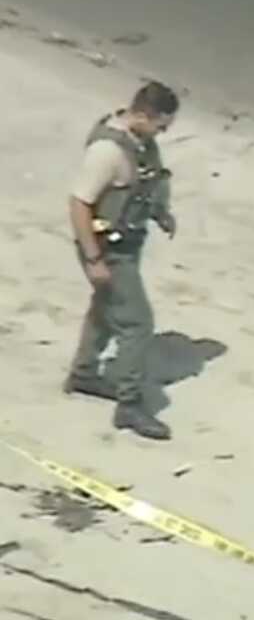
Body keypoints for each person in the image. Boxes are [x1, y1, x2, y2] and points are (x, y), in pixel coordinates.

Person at [62, 81, 181, 440]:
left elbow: (144, 184)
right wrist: (94, 258)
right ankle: (129, 406)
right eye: (162, 125)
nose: (164, 132)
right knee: (137, 324)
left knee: (105, 309)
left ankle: (83, 375)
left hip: (126, 244)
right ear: (143, 115)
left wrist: (161, 213)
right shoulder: (107, 152)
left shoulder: (140, 142)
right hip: (107, 251)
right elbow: (79, 203)